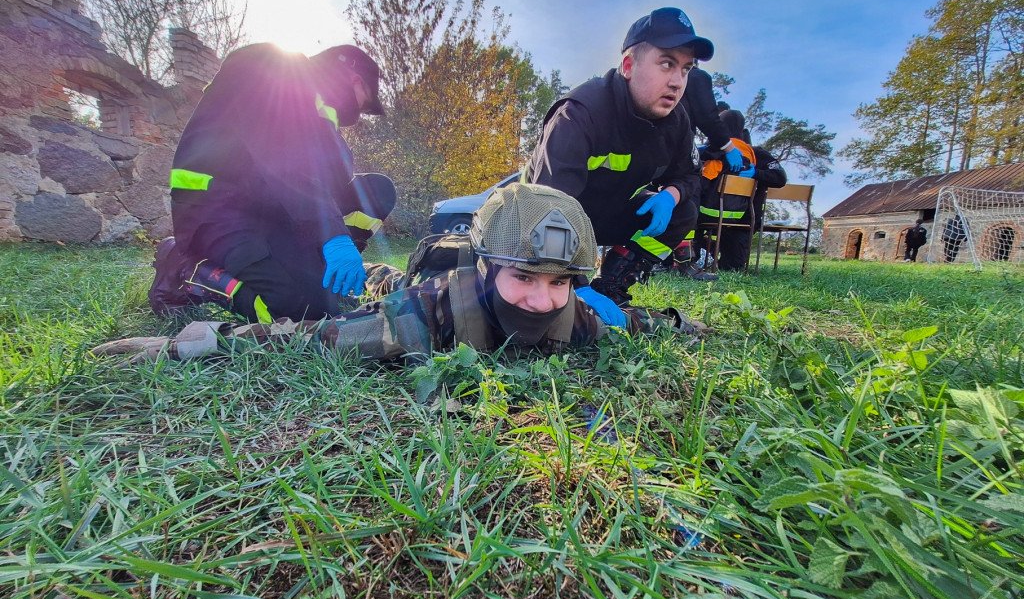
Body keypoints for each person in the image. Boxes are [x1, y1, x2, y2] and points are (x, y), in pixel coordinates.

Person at [93, 184, 704, 364]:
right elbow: (302, 339)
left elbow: (642, 322)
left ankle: (381, 272)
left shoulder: (577, 315)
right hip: (426, 280)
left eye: (561, 282)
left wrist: (682, 324)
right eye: (526, 278)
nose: (545, 300)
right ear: (488, 267)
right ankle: (381, 275)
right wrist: (188, 345)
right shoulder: (427, 317)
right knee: (366, 294)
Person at [148, 42, 397, 324]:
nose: (361, 111)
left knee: (377, 191)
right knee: (302, 313)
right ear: (354, 79)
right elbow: (286, 162)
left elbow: (326, 184)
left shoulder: (321, 116)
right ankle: (186, 269)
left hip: (273, 210)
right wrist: (335, 238)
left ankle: (328, 275)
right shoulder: (266, 66)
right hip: (220, 211)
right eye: (366, 98)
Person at [523, 6, 717, 319]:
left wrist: (670, 195)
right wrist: (577, 285)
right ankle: (575, 287)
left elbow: (690, 176)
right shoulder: (579, 113)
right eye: (666, 64)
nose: (678, 82)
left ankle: (613, 284)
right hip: (538, 221)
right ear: (628, 65)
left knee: (684, 211)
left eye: (685, 69)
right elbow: (549, 208)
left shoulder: (677, 121)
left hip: (608, 214)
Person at [698, 109, 787, 271]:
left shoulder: (757, 154)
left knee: (732, 266)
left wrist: (757, 173)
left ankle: (703, 250)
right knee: (732, 266)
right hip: (731, 216)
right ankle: (701, 249)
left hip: (736, 219)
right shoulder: (710, 151)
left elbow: (780, 178)